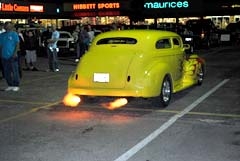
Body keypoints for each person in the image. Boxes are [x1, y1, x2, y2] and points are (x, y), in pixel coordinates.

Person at [0, 22, 20, 91]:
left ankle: (16, 85)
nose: (7, 27)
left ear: (11, 27)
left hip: (12, 56)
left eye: (8, 26)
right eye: (6, 26)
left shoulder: (14, 34)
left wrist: (15, 53)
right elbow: (1, 46)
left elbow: (17, 44)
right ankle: (10, 84)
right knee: (6, 72)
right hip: (4, 57)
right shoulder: (1, 35)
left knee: (15, 71)